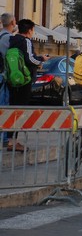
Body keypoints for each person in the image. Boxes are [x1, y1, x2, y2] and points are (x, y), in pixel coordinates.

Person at [6, 19, 49, 152]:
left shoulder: (12, 40)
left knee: (13, 108)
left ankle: (10, 140)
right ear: (29, 30)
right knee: (20, 110)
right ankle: (13, 142)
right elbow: (30, 59)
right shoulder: (26, 41)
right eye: (33, 30)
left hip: (13, 79)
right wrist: (42, 59)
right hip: (24, 80)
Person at [0, 13, 16, 149]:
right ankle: (3, 138)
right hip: (3, 76)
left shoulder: (0, 36)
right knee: (4, 106)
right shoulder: (9, 39)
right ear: (12, 22)